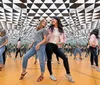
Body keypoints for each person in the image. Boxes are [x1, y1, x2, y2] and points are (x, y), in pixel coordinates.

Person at [46, 17, 75, 82]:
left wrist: (62, 42)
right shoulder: (50, 28)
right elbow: (46, 36)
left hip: (56, 46)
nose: (52, 20)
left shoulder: (61, 29)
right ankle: (51, 74)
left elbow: (64, 38)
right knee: (49, 60)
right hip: (49, 44)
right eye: (51, 20)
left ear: (57, 20)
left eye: (53, 19)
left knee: (65, 58)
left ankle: (68, 74)